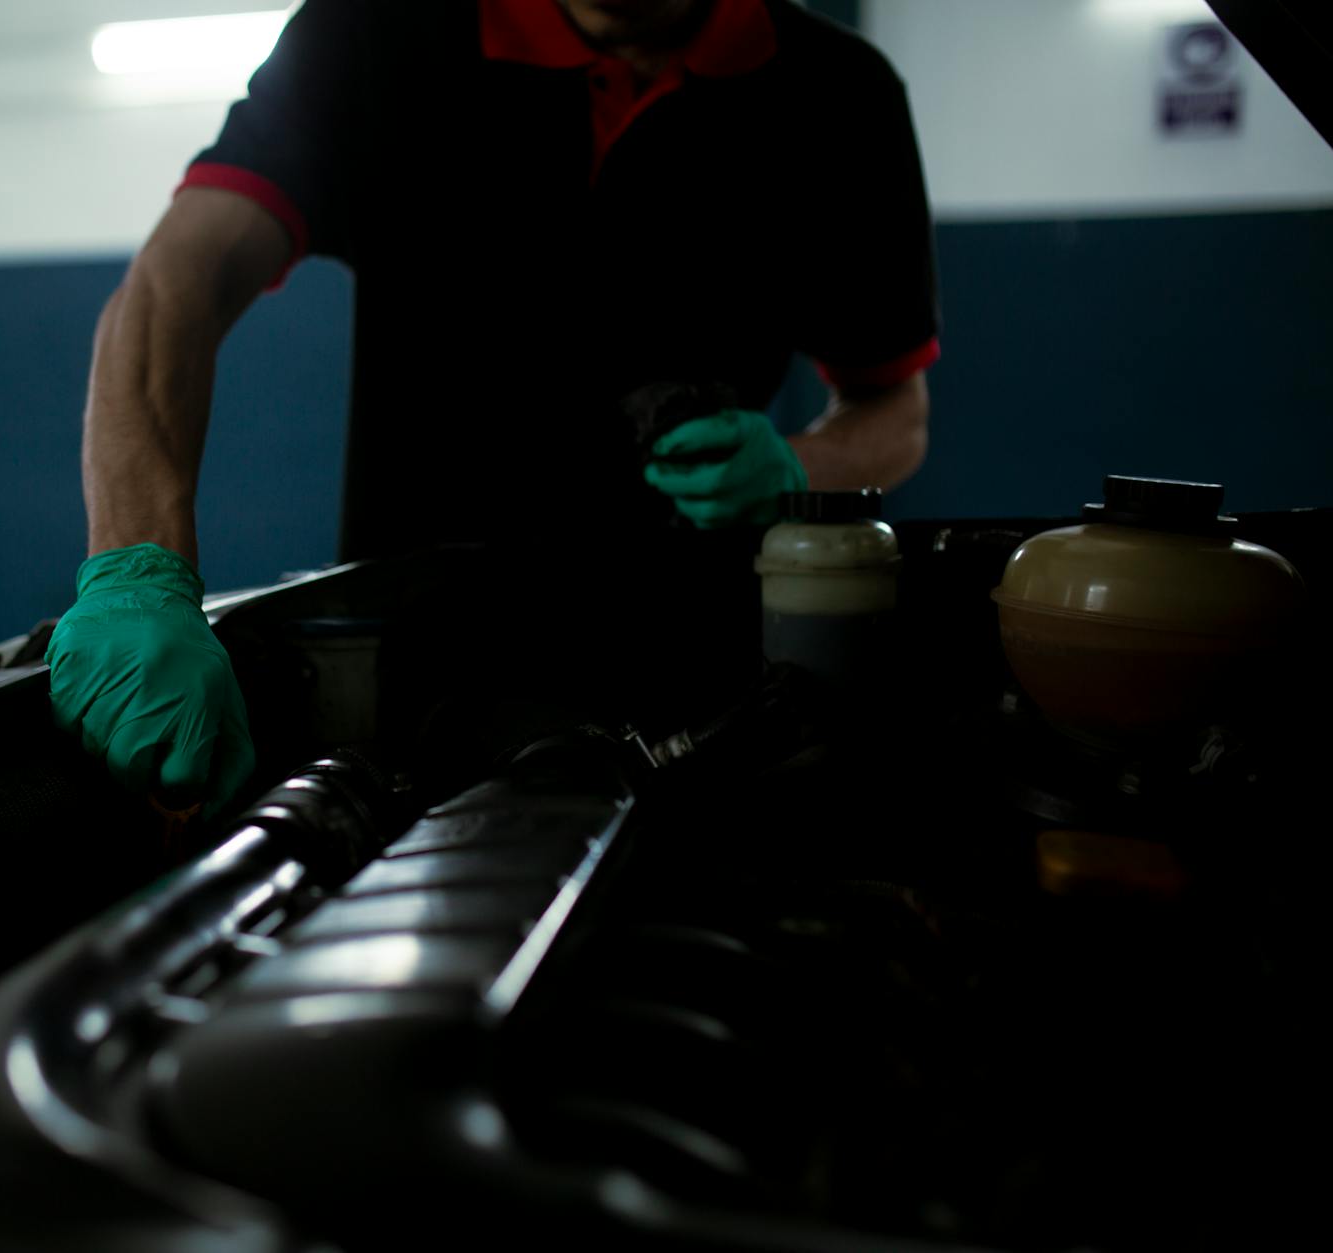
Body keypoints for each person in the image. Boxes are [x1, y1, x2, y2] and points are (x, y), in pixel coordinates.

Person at [46, 0, 940, 814]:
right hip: (419, 685)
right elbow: (178, 279)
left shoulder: (840, 95)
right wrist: (137, 566)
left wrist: (797, 466)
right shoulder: (371, 32)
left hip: (707, 694)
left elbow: (895, 412)